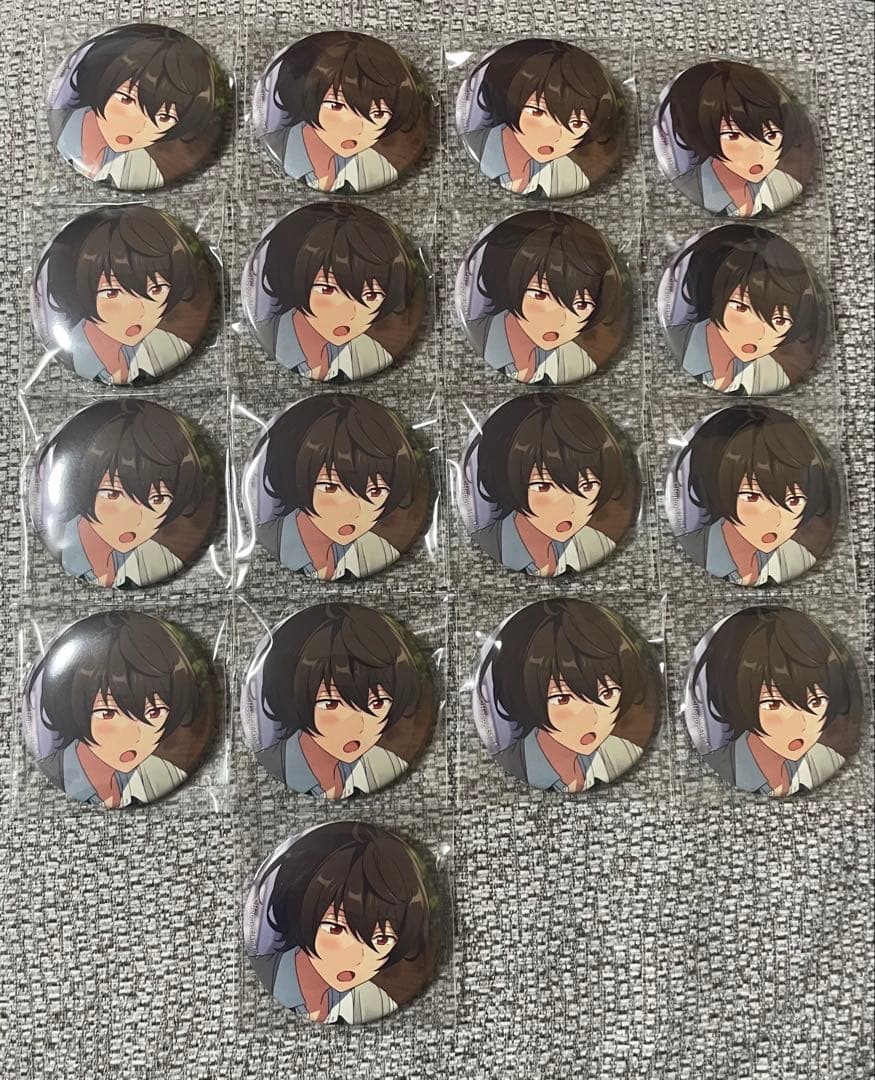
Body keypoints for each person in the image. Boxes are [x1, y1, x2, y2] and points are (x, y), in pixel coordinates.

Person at [251, 822, 431, 1022]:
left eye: (381, 939)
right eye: (335, 928)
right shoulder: (260, 981)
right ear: (299, 911)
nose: (356, 959)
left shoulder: (375, 1001)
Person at [478, 599, 649, 792]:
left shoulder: (624, 753)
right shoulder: (508, 767)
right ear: (525, 697)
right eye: (562, 699)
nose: (591, 719)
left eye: (607, 692)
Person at [30, 612, 198, 807]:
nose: (134, 737)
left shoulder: (166, 774)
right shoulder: (48, 778)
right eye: (107, 713)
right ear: (72, 709)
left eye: (154, 712)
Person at [253, 605, 422, 798]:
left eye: (377, 703)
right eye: (330, 704)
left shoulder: (386, 764)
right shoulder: (271, 769)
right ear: (292, 698)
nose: (357, 727)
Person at [36, 400, 205, 588]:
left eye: (158, 499)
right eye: (112, 494)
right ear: (78, 483)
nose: (135, 520)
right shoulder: (57, 542)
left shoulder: (161, 559)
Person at [255, 395, 418, 580]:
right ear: (294, 478)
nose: (353, 512)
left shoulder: (379, 551)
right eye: (330, 487)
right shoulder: (267, 544)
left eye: (375, 491)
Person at [464, 394, 629, 576]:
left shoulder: (596, 543)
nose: (569, 508)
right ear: (506, 481)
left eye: (587, 486)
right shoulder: (484, 548)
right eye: (543, 487)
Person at [693, 608, 852, 796]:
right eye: (774, 704)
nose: (800, 726)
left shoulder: (827, 761)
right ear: (738, 700)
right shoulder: (711, 773)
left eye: (816, 701)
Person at [35, 206, 202, 384]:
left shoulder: (169, 346)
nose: (138, 312)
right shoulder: (66, 352)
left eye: (156, 289)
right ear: (78, 290)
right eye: (112, 292)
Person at [254, 204, 416, 381]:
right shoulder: (265, 341)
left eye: (371, 296)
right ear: (294, 278)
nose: (349, 314)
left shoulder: (372, 353)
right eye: (327, 289)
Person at [673, 405, 831, 586]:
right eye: (751, 497)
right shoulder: (690, 554)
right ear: (716, 488)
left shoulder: (797, 557)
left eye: (794, 500)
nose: (775, 521)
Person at [463, 212, 625, 384]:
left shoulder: (576, 360)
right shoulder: (477, 341)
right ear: (506, 282)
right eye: (540, 294)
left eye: (582, 304)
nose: (559, 321)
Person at [51, 24, 218, 190]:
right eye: (126, 99)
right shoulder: (57, 126)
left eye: (165, 117)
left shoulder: (145, 171)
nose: (137, 128)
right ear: (101, 81)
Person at [666, 225, 823, 395]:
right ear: (712, 295)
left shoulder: (772, 374)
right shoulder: (676, 348)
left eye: (780, 320)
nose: (759, 334)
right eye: (741, 307)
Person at [261, 31, 422, 193]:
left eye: (378, 114)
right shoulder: (275, 151)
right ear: (305, 96)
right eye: (335, 106)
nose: (356, 129)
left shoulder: (378, 167)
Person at [463, 39, 619, 198]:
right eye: (537, 112)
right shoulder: (476, 150)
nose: (555, 137)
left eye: (577, 123)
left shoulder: (571, 176)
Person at [658, 60, 811, 217]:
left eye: (771, 135)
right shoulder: (687, 189)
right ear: (706, 134)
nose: (758, 154)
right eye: (733, 136)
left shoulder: (786, 185)